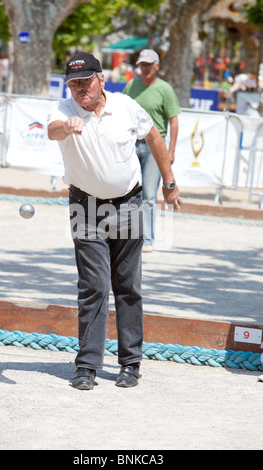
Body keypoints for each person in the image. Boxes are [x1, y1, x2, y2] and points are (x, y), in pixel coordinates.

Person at [47, 52, 182, 390]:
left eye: (86, 82)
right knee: (93, 286)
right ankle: (87, 366)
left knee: (127, 284)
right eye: (73, 84)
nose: (80, 89)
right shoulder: (64, 111)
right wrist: (66, 126)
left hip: (129, 203)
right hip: (85, 207)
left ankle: (130, 363)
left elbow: (153, 136)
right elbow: (51, 130)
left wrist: (169, 183)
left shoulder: (124, 106)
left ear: (101, 80)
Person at [123, 49, 181, 252]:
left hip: (155, 146)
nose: (145, 68)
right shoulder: (131, 85)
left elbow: (173, 121)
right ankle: (127, 237)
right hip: (132, 142)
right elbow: (122, 111)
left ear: (157, 66)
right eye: (142, 64)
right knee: (128, 190)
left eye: (148, 64)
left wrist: (170, 150)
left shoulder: (165, 89)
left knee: (148, 193)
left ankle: (147, 239)